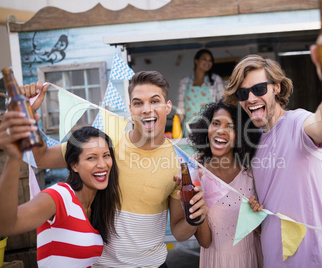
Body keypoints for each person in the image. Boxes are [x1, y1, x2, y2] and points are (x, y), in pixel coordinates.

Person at [22, 71, 208, 267]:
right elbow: (40, 159)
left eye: (155, 101)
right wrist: (27, 112)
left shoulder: (179, 162)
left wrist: (193, 217)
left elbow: (179, 233)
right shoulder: (106, 141)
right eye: (138, 103)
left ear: (168, 107)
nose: (147, 109)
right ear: (130, 109)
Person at [223, 31, 322, 267]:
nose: (250, 98)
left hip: (309, 256)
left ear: (277, 88)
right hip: (271, 255)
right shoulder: (251, 141)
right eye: (242, 93)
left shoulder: (299, 123)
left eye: (259, 89)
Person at [0, 112, 121, 268]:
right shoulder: (59, 197)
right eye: (91, 157)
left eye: (106, 155)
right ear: (74, 165)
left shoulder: (97, 205)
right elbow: (6, 225)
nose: (102, 164)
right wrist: (14, 157)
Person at [187, 100, 263, 268]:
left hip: (249, 260)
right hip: (215, 261)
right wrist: (196, 203)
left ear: (241, 135)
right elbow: (205, 242)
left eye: (230, 126)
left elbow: (264, 232)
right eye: (215, 123)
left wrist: (256, 218)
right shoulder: (196, 170)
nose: (220, 130)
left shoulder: (251, 171)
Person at [177, 49, 226, 132]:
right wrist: (176, 129)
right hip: (189, 128)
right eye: (204, 59)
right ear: (196, 61)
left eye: (210, 60)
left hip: (210, 126)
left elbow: (223, 103)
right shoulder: (184, 82)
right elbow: (180, 109)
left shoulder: (215, 80)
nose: (208, 62)